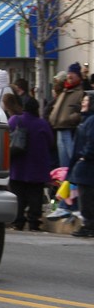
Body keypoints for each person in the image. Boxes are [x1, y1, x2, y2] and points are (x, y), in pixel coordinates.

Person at [4, 92, 54, 231]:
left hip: (18, 165)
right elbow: (51, 142)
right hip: (37, 166)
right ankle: (34, 222)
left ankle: (18, 221)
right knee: (35, 196)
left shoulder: (14, 120)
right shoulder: (42, 123)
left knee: (18, 195)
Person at [67, 92, 94, 238]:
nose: (83, 103)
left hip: (88, 167)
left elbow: (91, 143)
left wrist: (85, 156)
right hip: (85, 166)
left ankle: (89, 225)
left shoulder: (91, 121)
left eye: (86, 101)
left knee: (87, 198)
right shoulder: (86, 120)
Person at [48, 62, 85, 168]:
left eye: (73, 74)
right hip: (59, 129)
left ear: (78, 76)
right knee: (63, 163)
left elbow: (81, 112)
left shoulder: (79, 93)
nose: (70, 76)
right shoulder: (65, 91)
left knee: (71, 161)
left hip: (69, 130)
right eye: (69, 73)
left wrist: (70, 118)